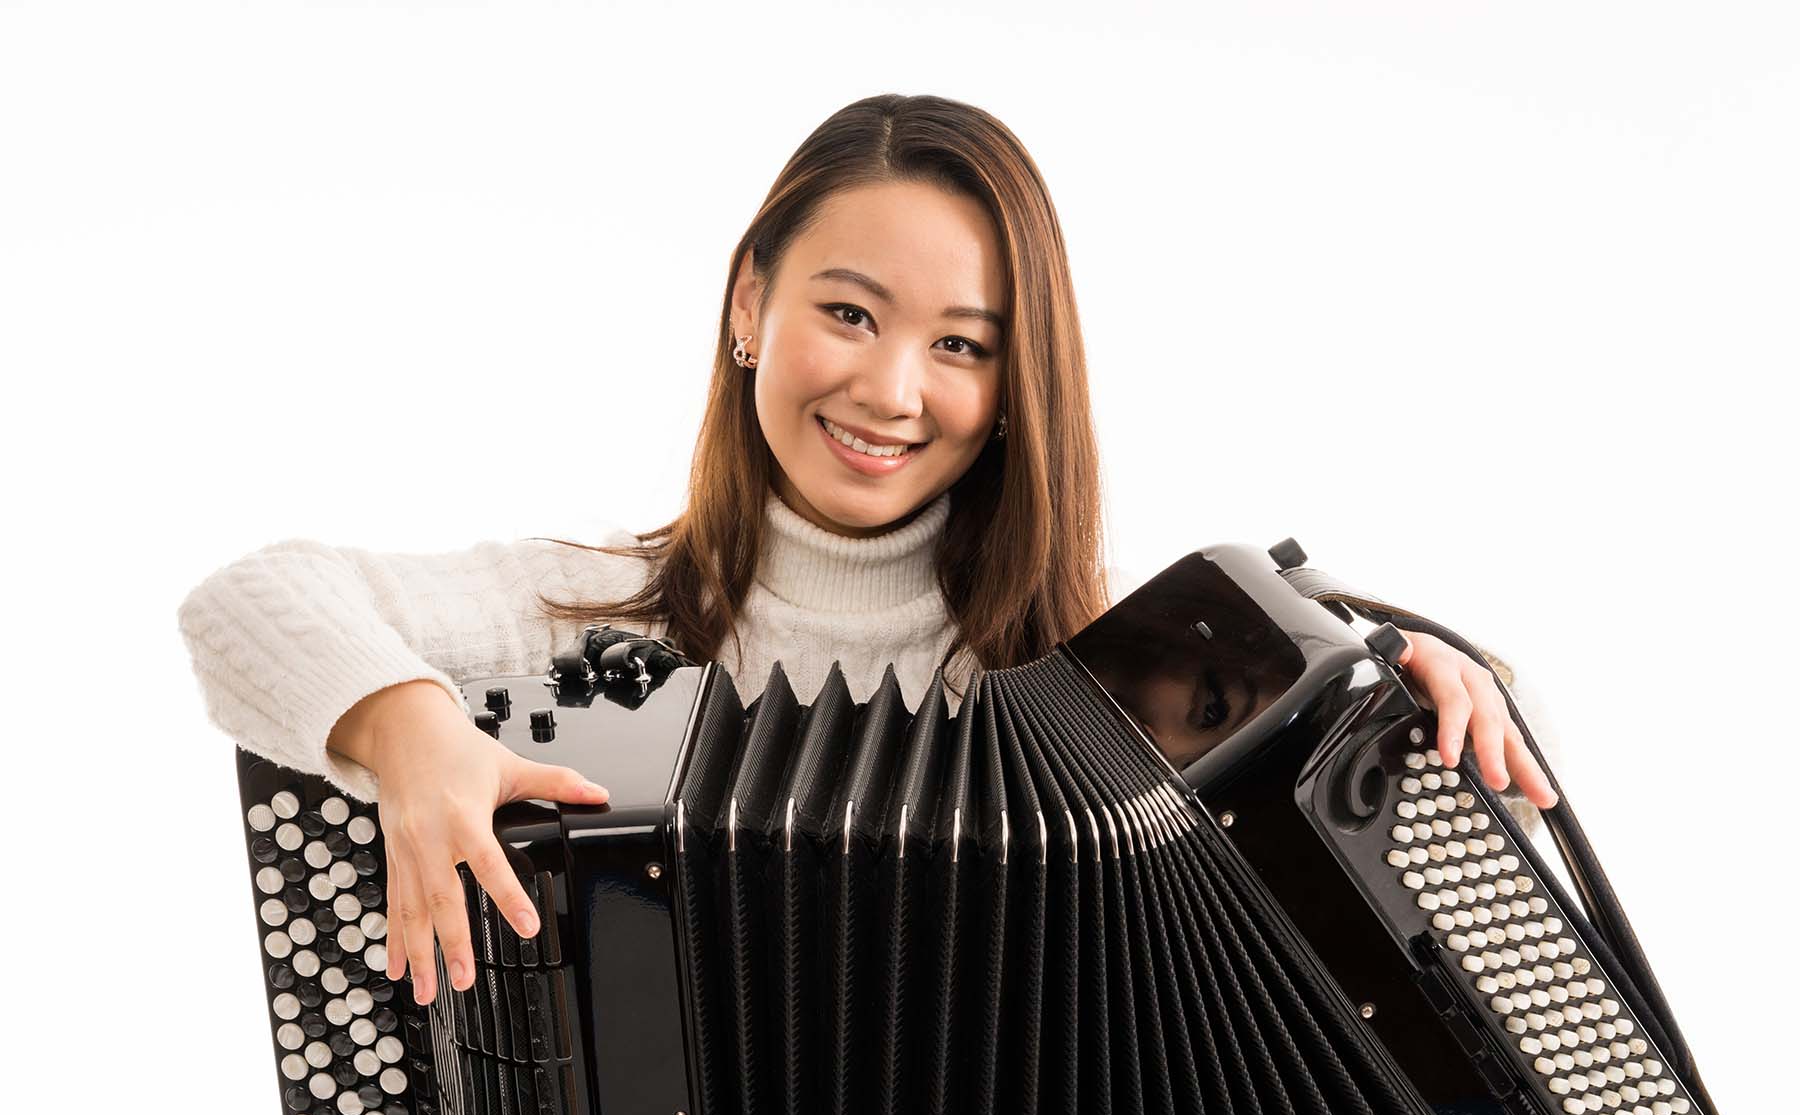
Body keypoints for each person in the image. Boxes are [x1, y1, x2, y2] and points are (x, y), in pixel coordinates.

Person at [177, 93, 1561, 1012]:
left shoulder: (1113, 705)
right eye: (849, 312)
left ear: (1018, 386)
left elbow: (1396, 922)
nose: (895, 389)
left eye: (961, 344)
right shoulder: (592, 629)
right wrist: (412, 731)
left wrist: (1401, 701)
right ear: (749, 305)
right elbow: (248, 602)